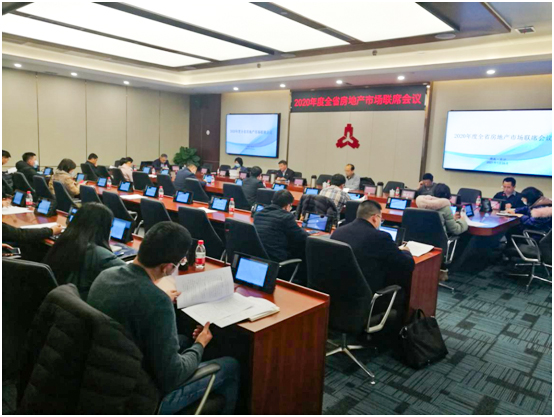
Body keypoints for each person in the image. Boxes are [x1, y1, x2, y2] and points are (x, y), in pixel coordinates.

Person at [87, 222, 239, 414]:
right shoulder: (157, 302)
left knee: (184, 340)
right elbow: (173, 376)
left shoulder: (105, 276)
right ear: (168, 267)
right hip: (141, 398)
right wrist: (200, 344)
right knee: (231, 366)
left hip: (104, 378)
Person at [331, 199, 414, 294]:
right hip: (366, 292)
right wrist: (406, 251)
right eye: (381, 219)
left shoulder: (338, 231)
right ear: (375, 218)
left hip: (339, 288)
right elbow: (408, 264)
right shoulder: (380, 237)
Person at [44, 203, 124, 300]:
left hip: (56, 300)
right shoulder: (99, 254)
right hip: (76, 303)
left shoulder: (64, 240)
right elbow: (130, 272)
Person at [253, 190, 308, 264]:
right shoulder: (286, 217)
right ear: (287, 206)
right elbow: (302, 237)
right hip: (276, 260)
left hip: (259, 258)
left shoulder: (258, 214)